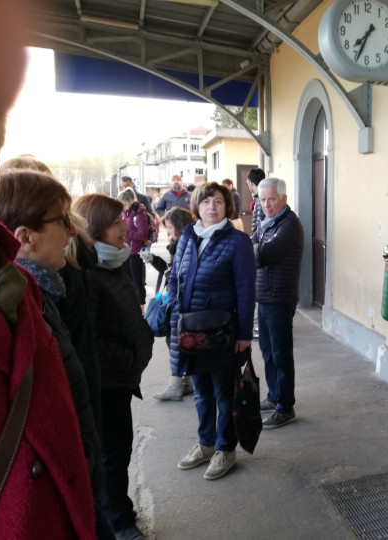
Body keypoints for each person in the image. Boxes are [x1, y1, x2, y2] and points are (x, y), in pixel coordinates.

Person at [0, 5, 96, 536]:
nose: (74, 232)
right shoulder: (15, 304)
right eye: (63, 222)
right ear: (25, 236)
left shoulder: (30, 296)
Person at [73, 193, 155, 540]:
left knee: (118, 448)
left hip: (121, 379)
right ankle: (118, 521)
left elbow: (130, 311)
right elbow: (89, 340)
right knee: (111, 453)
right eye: (116, 222)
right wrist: (130, 357)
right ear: (94, 228)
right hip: (106, 383)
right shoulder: (89, 273)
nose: (126, 226)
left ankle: (120, 511)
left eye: (123, 219)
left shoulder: (115, 260)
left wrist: (144, 335)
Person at [167, 182, 255, 480]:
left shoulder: (238, 242)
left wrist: (244, 333)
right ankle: (205, 444)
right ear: (197, 206)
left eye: (218, 201)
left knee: (224, 393)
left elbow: (246, 291)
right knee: (201, 392)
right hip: (190, 330)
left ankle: (225, 449)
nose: (212, 207)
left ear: (226, 206)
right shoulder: (188, 237)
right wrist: (172, 308)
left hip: (221, 332)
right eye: (205, 202)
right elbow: (175, 277)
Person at [251, 178, 304, 429]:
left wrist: (252, 246)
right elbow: (255, 247)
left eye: (271, 199)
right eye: (262, 200)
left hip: (280, 298)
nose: (266, 205)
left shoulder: (289, 225)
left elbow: (261, 255)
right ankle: (274, 397)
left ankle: (285, 406)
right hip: (265, 297)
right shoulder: (267, 224)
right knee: (268, 352)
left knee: (281, 354)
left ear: (283, 198)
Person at [153, 206, 195, 401]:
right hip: (177, 299)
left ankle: (178, 384)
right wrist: (153, 260)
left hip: (181, 301)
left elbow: (178, 274)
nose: (167, 232)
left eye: (169, 228)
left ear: (178, 226)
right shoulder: (178, 244)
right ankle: (185, 381)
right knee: (177, 341)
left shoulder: (184, 244)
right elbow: (169, 270)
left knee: (176, 341)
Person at [118, 188, 149, 308]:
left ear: (130, 201)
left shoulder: (139, 214)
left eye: (124, 204)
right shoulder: (127, 212)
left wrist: (126, 233)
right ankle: (133, 305)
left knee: (138, 281)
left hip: (136, 252)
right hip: (127, 251)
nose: (123, 207)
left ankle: (141, 307)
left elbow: (142, 235)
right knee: (129, 281)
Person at [246, 168, 266, 235]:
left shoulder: (260, 200)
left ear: (251, 183)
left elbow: (258, 226)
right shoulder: (261, 197)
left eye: (247, 183)